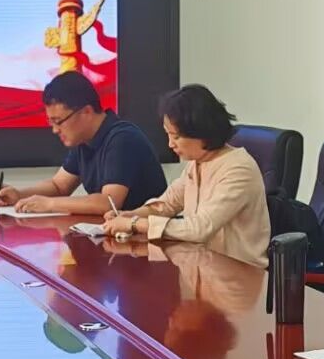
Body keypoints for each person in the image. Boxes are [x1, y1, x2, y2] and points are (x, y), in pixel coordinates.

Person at [105, 84, 270, 267]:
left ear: (202, 132)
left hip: (237, 275)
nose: (170, 144)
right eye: (168, 135)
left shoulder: (238, 169)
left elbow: (200, 228)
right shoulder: (198, 162)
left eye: (176, 137)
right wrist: (129, 215)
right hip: (200, 266)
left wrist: (135, 224)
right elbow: (167, 204)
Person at [0, 69, 165, 217]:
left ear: (86, 112)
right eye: (51, 122)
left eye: (59, 121)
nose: (55, 130)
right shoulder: (84, 140)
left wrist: (49, 204)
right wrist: (19, 195)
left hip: (147, 239)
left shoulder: (122, 138)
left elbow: (108, 203)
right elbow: (59, 186)